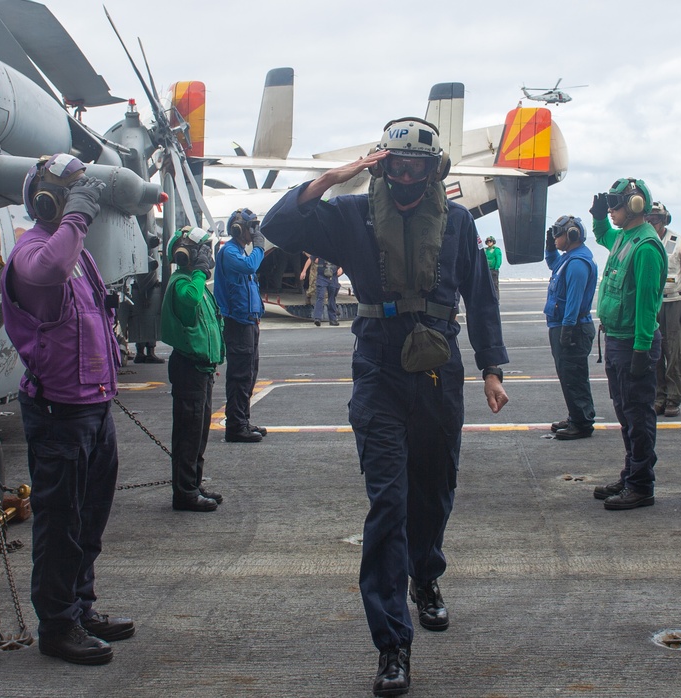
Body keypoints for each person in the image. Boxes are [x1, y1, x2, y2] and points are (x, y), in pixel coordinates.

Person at [262, 116, 509, 697]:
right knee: (388, 503)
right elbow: (280, 223)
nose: (404, 177)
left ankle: (426, 575)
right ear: (382, 166)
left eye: (415, 168)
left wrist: (491, 369)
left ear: (432, 170)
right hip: (378, 366)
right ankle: (392, 644)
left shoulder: (458, 226)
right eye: (394, 166)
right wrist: (334, 176)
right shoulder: (351, 216)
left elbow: (480, 295)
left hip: (438, 368)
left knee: (435, 488)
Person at [0, 153, 134, 665]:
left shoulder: (79, 253)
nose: (83, 203)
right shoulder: (33, 252)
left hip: (93, 406)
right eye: (70, 191)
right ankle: (57, 626)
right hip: (59, 413)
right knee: (60, 522)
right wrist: (75, 214)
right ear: (45, 198)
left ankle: (80, 607)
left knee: (89, 517)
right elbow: (52, 268)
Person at [589, 178, 666, 510]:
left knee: (638, 417)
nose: (611, 210)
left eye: (616, 205)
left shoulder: (646, 247)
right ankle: (632, 473)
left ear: (635, 205)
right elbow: (604, 235)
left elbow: (648, 305)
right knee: (626, 414)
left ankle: (641, 485)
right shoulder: (624, 238)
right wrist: (597, 218)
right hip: (617, 341)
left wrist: (641, 349)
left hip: (633, 345)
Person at [161, 225, 225, 512]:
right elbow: (189, 303)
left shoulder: (192, 282)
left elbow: (212, 323)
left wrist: (214, 357)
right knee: (188, 433)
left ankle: (193, 484)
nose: (207, 258)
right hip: (189, 368)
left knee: (198, 432)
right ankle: (184, 492)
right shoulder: (182, 283)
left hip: (201, 367)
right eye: (202, 253)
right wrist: (199, 272)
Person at [214, 208, 268, 443]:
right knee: (240, 375)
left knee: (249, 374)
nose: (253, 232)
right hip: (238, 323)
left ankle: (242, 419)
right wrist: (259, 247)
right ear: (238, 229)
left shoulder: (239, 253)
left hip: (249, 321)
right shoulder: (230, 253)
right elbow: (250, 268)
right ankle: (235, 426)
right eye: (251, 227)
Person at [544, 215, 598, 440]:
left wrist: (567, 329)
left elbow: (574, 300)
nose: (555, 237)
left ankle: (582, 423)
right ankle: (577, 415)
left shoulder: (577, 264)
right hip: (564, 325)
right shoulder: (569, 258)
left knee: (573, 376)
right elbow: (553, 264)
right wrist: (549, 248)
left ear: (572, 235)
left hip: (572, 328)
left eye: (558, 233)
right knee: (568, 375)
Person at [647, 201, 681, 418]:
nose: (652, 223)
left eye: (656, 219)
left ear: (664, 220)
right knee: (655, 353)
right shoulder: (645, 242)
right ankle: (659, 397)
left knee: (674, 353)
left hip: (675, 302)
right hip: (653, 304)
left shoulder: (679, 242)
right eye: (649, 219)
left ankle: (673, 399)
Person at [304, 254, 342, 326]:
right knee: (320, 297)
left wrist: (341, 268)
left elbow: (344, 260)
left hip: (333, 277)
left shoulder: (336, 250)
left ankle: (333, 319)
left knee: (332, 298)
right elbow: (311, 258)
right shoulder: (320, 248)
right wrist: (304, 271)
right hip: (322, 276)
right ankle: (317, 318)